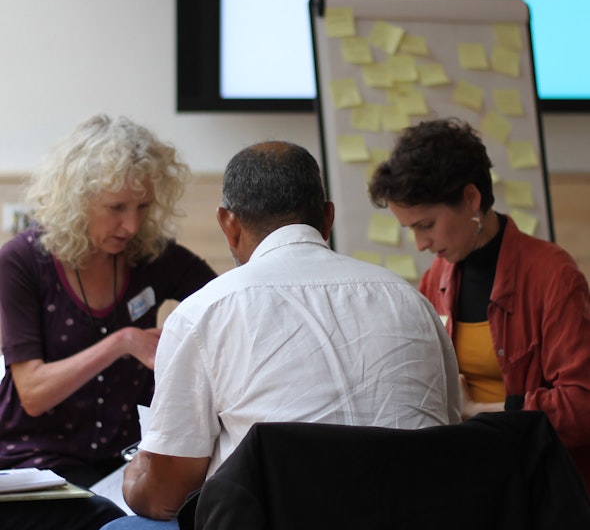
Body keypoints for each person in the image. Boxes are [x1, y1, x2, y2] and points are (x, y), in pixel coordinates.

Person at [101, 139, 461, 529]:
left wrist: (135, 480)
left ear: (228, 223)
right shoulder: (412, 302)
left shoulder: (204, 312)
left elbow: (167, 496)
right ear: (327, 218)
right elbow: (447, 441)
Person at [0, 114, 217, 528]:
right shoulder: (23, 261)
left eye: (143, 207)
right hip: (37, 466)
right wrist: (122, 342)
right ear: (77, 200)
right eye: (116, 208)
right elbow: (32, 392)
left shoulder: (153, 255)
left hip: (125, 467)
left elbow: (230, 305)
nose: (132, 225)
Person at [368, 117, 590, 492]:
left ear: (471, 199)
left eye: (426, 224)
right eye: (411, 230)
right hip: (470, 475)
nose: (420, 244)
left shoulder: (554, 275)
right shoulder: (435, 279)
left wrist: (481, 412)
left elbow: (581, 406)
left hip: (539, 482)